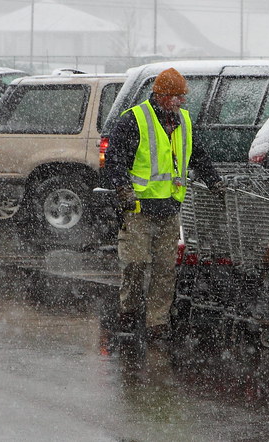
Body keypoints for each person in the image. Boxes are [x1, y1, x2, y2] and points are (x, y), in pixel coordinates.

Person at [105, 67, 223, 340]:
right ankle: (129, 310)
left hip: (170, 209)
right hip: (138, 209)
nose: (182, 102)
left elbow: (197, 155)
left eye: (183, 97)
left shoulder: (183, 121)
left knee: (164, 269)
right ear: (161, 95)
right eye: (177, 97)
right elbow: (115, 158)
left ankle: (156, 322)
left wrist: (213, 180)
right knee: (135, 264)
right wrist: (122, 188)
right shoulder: (134, 120)